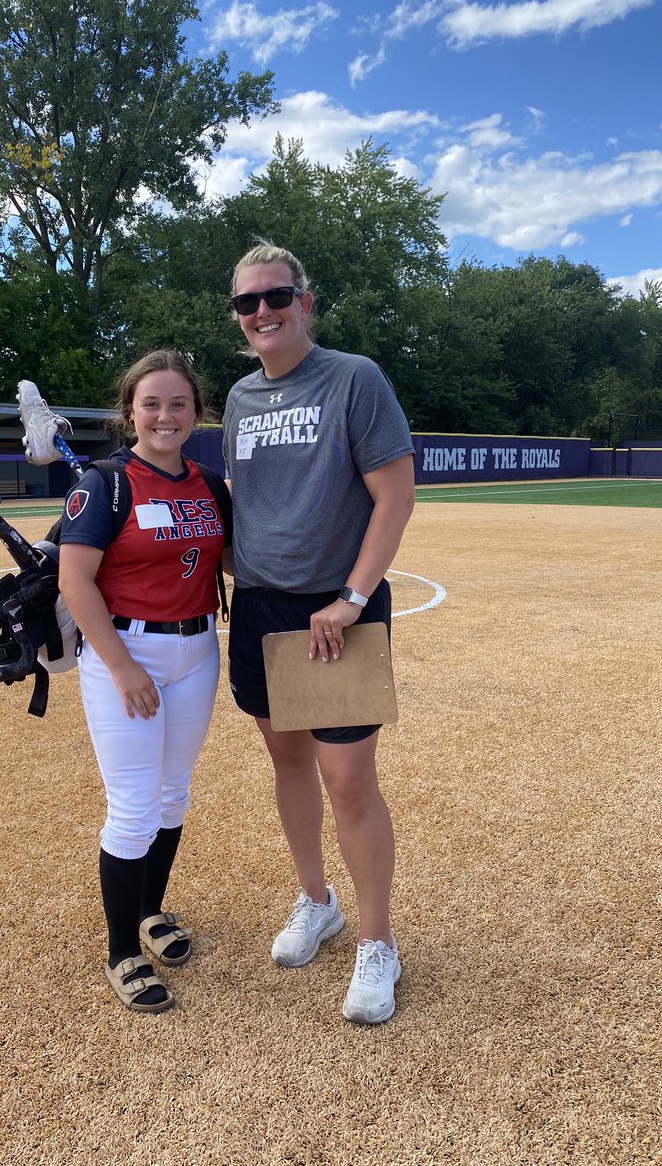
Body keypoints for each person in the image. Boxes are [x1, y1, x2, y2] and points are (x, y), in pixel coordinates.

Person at [222, 242, 415, 1025]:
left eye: (276, 296)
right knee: (287, 757)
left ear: (305, 301)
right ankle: (316, 901)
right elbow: (242, 498)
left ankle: (379, 943)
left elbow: (395, 498)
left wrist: (351, 596)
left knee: (349, 780)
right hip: (262, 609)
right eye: (247, 303)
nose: (262, 312)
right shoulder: (236, 397)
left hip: (334, 613)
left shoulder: (353, 378)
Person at [58, 350, 230, 1014]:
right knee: (131, 807)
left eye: (178, 403)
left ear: (196, 412)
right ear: (129, 411)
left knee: (173, 795)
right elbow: (76, 581)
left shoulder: (209, 486)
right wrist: (123, 667)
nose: (165, 415)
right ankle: (120, 951)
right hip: (124, 653)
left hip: (197, 649)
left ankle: (150, 912)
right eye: (152, 403)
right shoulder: (104, 483)